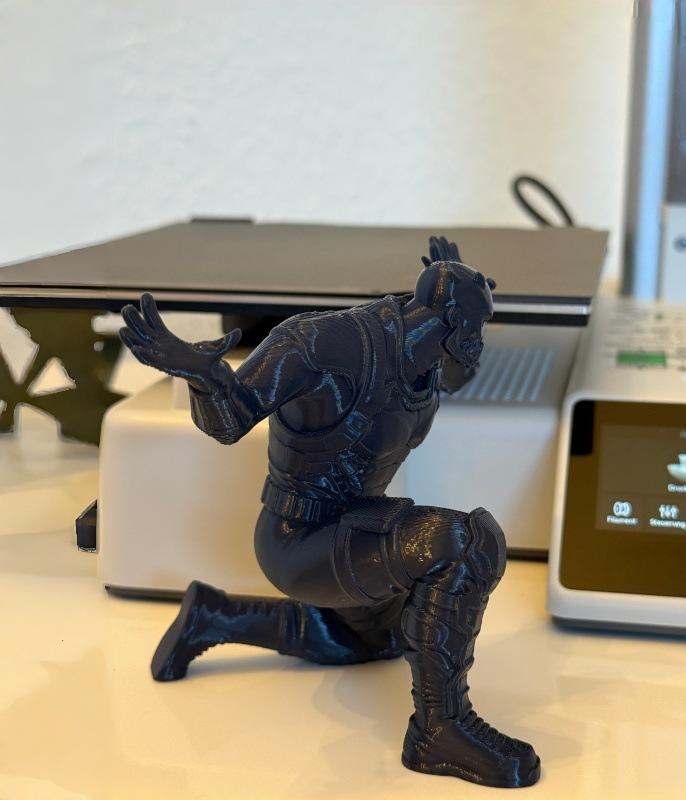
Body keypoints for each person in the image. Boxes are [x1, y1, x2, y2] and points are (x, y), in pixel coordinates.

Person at [119, 237, 540, 788]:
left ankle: (214, 615)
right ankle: (440, 730)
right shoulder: (322, 343)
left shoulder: (427, 357)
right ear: (453, 322)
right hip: (299, 539)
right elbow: (230, 421)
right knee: (464, 543)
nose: (478, 342)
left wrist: (456, 281)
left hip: (354, 534)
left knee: (375, 640)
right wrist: (206, 375)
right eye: (476, 327)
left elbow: (458, 370)